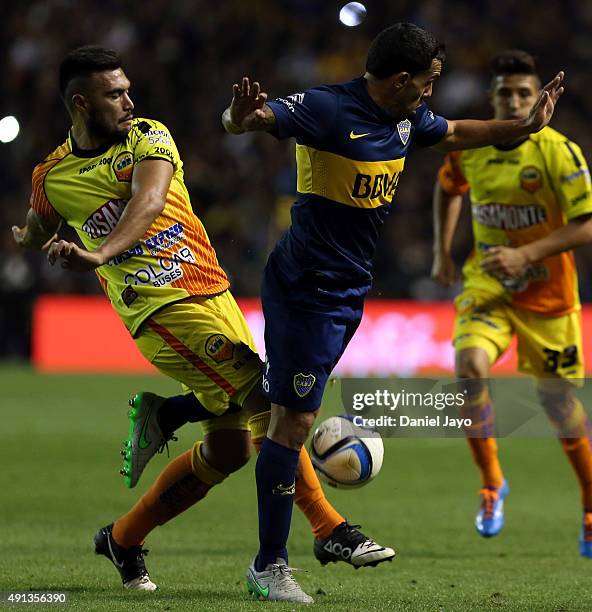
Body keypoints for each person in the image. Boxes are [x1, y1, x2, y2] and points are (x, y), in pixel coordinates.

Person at [11, 46, 394, 602]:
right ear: (80, 102)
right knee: (265, 399)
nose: (128, 100)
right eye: (113, 93)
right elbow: (35, 218)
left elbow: (149, 201)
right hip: (158, 310)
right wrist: (29, 238)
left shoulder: (148, 135)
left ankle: (123, 536)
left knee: (231, 450)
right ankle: (328, 529)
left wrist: (96, 254)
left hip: (212, 295)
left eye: (126, 88)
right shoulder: (52, 178)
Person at [221, 22, 564, 602]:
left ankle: (293, 529)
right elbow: (255, 121)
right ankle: (270, 564)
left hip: (349, 289)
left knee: (284, 416)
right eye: (428, 82)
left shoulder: (406, 118)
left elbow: (455, 132)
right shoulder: (329, 108)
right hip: (305, 287)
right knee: (292, 423)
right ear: (402, 79)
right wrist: (241, 118)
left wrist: (522, 126)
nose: (432, 93)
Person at [431, 49, 592, 555]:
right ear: (492, 97)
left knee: (560, 406)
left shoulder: (558, 152)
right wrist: (442, 251)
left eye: (524, 92)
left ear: (539, 95)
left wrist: (525, 256)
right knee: (469, 367)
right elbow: (448, 188)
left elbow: (587, 223)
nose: (516, 100)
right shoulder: (471, 143)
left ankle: (590, 503)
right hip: (489, 286)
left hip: (549, 297)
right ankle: (492, 483)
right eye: (506, 93)